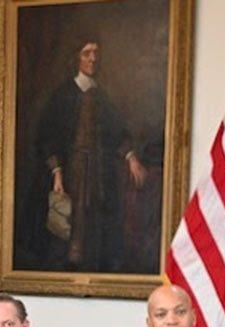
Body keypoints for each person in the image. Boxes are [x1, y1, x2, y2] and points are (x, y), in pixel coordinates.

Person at [35, 38, 146, 272]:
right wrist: (57, 173)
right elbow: (48, 136)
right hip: (71, 170)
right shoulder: (63, 95)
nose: (93, 59)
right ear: (77, 57)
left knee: (95, 221)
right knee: (67, 222)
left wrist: (131, 158)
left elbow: (117, 132)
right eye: (87, 53)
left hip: (97, 171)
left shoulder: (101, 96)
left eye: (96, 53)